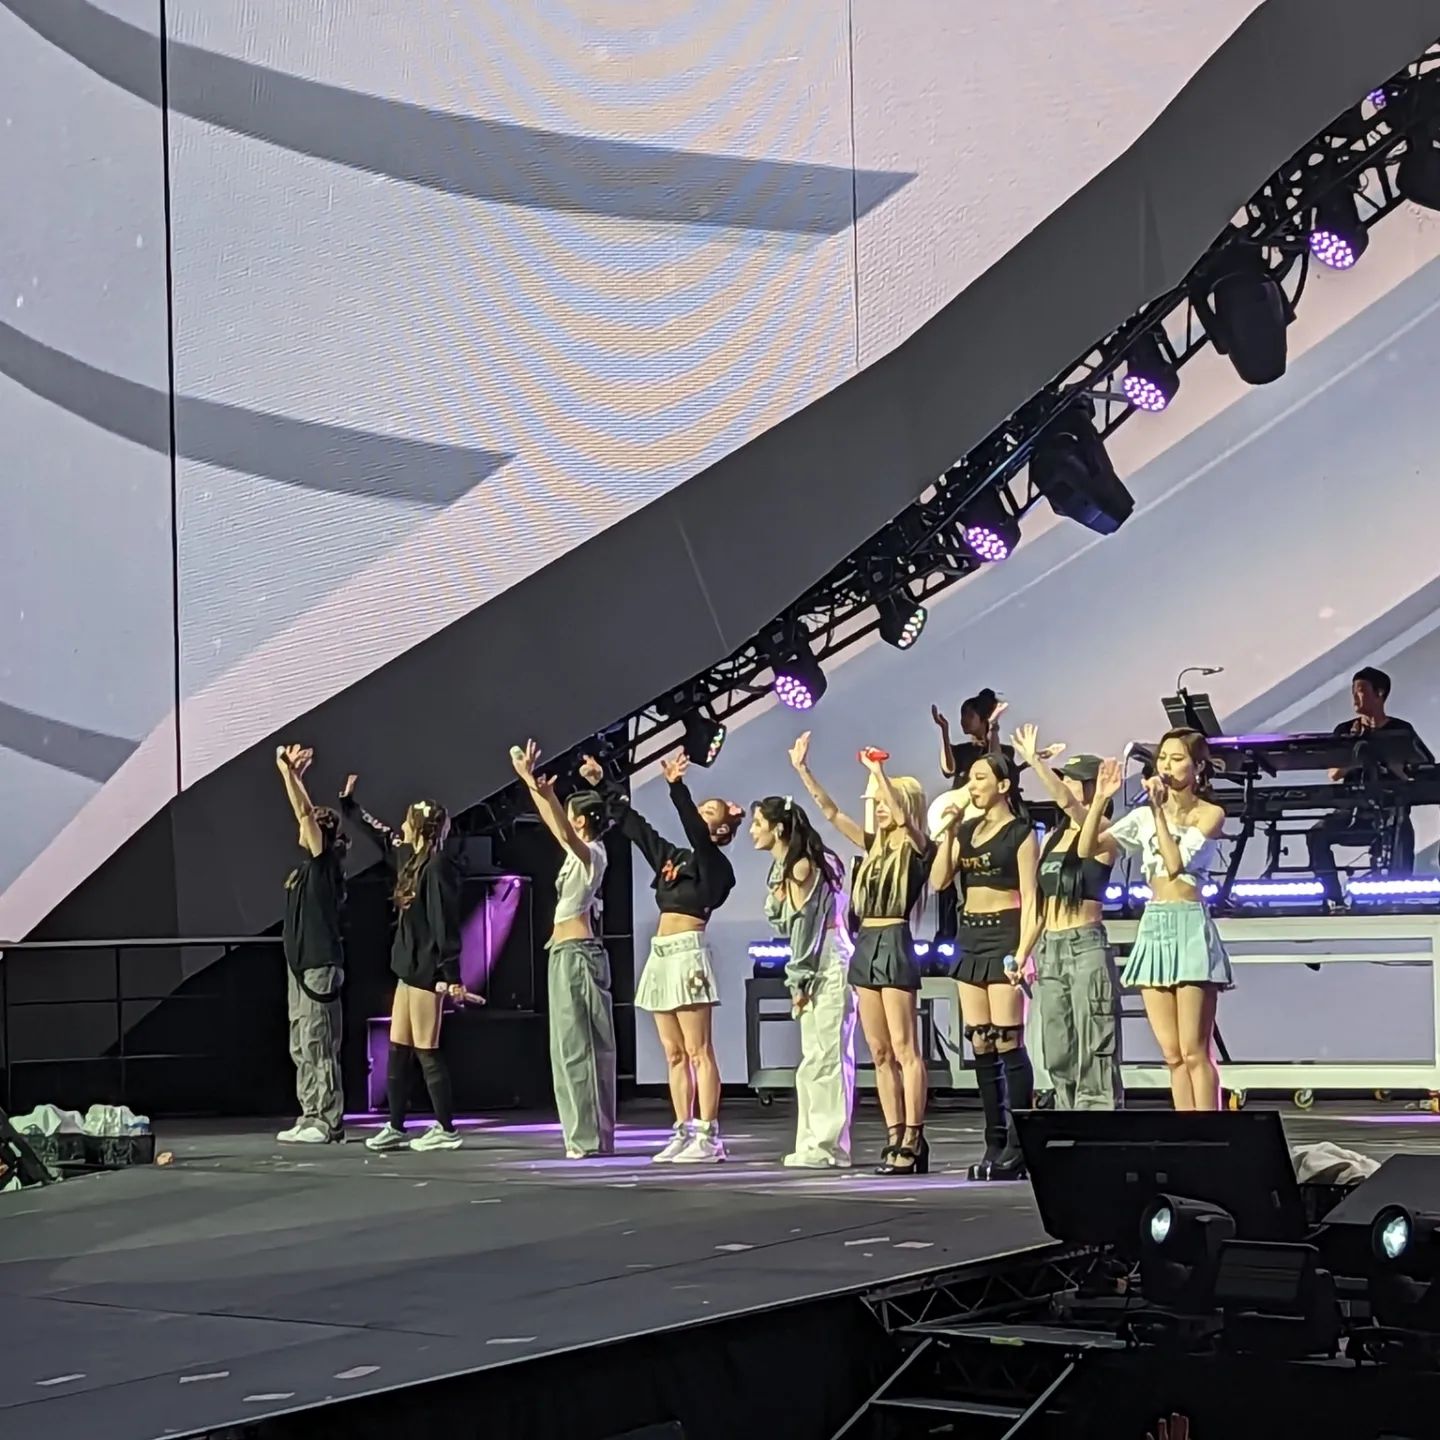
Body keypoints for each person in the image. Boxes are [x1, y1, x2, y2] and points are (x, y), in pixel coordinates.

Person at [583, 752, 743, 1163]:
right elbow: (637, 828)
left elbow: (697, 834)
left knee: (698, 1048)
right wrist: (602, 784)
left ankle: (708, 1134)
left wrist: (677, 787)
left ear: (722, 828)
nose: (699, 815)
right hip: (661, 956)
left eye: (708, 812)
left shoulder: (717, 868)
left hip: (688, 954)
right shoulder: (675, 859)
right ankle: (682, 1129)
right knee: (673, 1052)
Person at [790, 734, 932, 1176]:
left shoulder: (917, 847)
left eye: (887, 802)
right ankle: (894, 1133)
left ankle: (914, 1136)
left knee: (905, 1048)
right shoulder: (873, 848)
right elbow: (831, 813)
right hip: (866, 944)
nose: (881, 808)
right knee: (880, 1050)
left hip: (894, 939)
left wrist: (879, 773)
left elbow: (905, 820)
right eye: (879, 803)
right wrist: (803, 770)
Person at [1090, 731, 1229, 1111]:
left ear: (1198, 767)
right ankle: (1186, 1134)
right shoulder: (1141, 815)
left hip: (1189, 924)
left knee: (1194, 1050)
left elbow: (1174, 864)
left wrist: (1157, 814)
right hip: (1154, 925)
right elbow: (1089, 847)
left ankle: (1213, 1133)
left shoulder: (1210, 814)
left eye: (1176, 758)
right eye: (1162, 758)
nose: (1166, 766)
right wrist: (1100, 798)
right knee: (1172, 1055)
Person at [341, 777, 467, 1152]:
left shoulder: (437, 866)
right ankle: (396, 1125)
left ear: (421, 828)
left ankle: (446, 1129)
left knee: (426, 1048)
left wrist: (450, 974)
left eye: (408, 821)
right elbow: (379, 834)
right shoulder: (408, 858)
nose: (401, 826)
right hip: (407, 968)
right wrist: (350, 806)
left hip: (427, 970)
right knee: (399, 1046)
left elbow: (445, 922)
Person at [932, 751, 1041, 1180]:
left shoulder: (1020, 833)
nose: (973, 786)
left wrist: (1024, 951)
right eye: (970, 779)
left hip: (1005, 934)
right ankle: (993, 1140)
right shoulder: (966, 831)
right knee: (980, 1041)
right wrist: (948, 833)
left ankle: (1019, 1144)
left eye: (980, 778)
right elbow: (939, 881)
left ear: (1003, 785)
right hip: (970, 936)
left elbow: (1032, 900)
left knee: (1007, 1039)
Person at [511, 740, 616, 1160]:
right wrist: (529, 782)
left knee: (583, 1048)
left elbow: (567, 834)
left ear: (583, 820)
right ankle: (582, 1134)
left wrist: (550, 795)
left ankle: (591, 1137)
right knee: (567, 1047)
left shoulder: (594, 854)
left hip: (579, 955)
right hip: (564, 952)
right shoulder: (577, 853)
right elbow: (559, 829)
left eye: (571, 814)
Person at [1011, 725, 1123, 1111]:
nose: (1067, 787)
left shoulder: (1106, 831)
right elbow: (1042, 905)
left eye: (1074, 781)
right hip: (1051, 948)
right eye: (1067, 780)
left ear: (1093, 787)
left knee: (1095, 1043)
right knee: (1057, 1047)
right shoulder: (1054, 838)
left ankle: (1098, 1123)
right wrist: (1023, 952)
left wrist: (1034, 763)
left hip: (1085, 945)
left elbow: (1071, 806)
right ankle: (1066, 1116)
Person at [751, 795, 856, 1168]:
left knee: (826, 1055)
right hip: (818, 958)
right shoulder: (787, 868)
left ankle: (827, 1146)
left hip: (825, 960)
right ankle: (814, 1142)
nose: (752, 832)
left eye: (758, 824)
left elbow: (806, 931)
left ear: (778, 828)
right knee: (815, 1057)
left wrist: (800, 980)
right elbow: (787, 922)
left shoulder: (802, 867)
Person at [1307, 666, 1433, 905]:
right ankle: (1333, 898)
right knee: (1317, 834)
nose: (1355, 697)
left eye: (1361, 690)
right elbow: (1333, 773)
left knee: (1401, 829)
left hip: (1388, 811)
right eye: (1353, 691)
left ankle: (1397, 896)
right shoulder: (1345, 731)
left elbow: (1421, 771)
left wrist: (1388, 761)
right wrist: (1357, 751)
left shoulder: (1400, 730)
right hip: (1349, 812)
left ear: (1380, 693)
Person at [274, 744, 348, 1145]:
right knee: (301, 1041)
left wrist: (290, 776)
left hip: (319, 964)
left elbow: (304, 813)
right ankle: (310, 1113)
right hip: (300, 966)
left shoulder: (325, 867)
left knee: (319, 1041)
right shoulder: (305, 871)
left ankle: (328, 1120)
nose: (301, 829)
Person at [930, 690, 1012, 943]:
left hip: (988, 825)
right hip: (961, 825)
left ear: (982, 718)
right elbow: (948, 769)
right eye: (961, 715)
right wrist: (944, 731)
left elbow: (998, 764)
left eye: (969, 715)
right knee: (954, 882)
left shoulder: (1003, 750)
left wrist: (994, 729)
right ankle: (957, 933)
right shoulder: (962, 751)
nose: (963, 721)